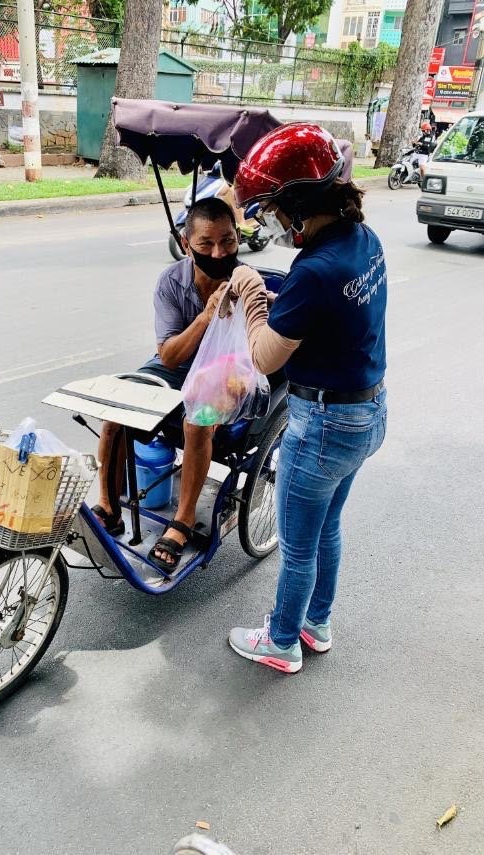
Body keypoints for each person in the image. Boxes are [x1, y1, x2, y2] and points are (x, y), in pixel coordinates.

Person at [226, 123, 388, 674]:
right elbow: (329, 312)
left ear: (297, 203)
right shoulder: (361, 240)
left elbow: (266, 357)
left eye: (273, 207)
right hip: (367, 414)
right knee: (328, 528)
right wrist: (281, 299)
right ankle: (316, 624)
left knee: (298, 547)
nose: (270, 219)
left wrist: (251, 294)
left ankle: (281, 642)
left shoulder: (315, 270)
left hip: (323, 425)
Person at [93, 197, 239, 571]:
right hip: (175, 364)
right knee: (117, 411)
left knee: (197, 419)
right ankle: (109, 507)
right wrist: (206, 317)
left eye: (228, 241)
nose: (219, 252)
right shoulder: (171, 282)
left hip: (228, 369)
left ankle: (184, 520)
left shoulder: (245, 281)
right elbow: (170, 355)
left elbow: (255, 353)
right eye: (206, 244)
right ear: (187, 244)